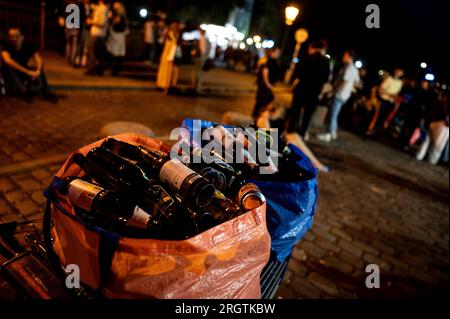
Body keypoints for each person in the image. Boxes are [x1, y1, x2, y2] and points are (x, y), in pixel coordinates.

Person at [286, 40, 330, 138]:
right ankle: (302, 133)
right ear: (323, 49)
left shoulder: (305, 57)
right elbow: (325, 80)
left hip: (301, 90)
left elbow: (297, 76)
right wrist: (321, 93)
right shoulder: (326, 62)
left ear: (312, 47)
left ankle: (290, 132)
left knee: (295, 112)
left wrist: (292, 87)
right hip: (314, 92)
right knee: (308, 115)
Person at [0, 27, 57, 103]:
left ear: (22, 37)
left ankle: (46, 91)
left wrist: (38, 71)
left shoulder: (27, 46)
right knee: (10, 69)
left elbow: (39, 60)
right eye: (11, 36)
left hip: (22, 72)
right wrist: (27, 72)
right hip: (9, 75)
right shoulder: (6, 46)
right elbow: (8, 61)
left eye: (16, 36)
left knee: (37, 68)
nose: (13, 39)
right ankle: (24, 92)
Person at [317, 50, 360, 142]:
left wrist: (334, 91)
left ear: (349, 57)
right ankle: (332, 132)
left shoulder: (348, 68)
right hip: (345, 95)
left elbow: (344, 81)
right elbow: (357, 82)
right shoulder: (354, 69)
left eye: (345, 55)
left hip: (339, 94)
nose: (343, 57)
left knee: (333, 114)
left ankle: (328, 134)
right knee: (335, 114)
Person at [366, 68, 404, 135]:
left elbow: (397, 93)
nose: (398, 73)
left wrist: (394, 97)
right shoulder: (388, 78)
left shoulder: (400, 83)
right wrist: (389, 93)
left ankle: (376, 132)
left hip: (390, 102)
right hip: (383, 100)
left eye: (400, 72)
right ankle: (369, 129)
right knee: (376, 115)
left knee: (383, 118)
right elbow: (380, 89)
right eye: (398, 71)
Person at [416, 90, 449, 165]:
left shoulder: (438, 102)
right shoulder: (443, 103)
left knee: (427, 140)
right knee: (438, 145)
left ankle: (419, 155)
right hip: (443, 125)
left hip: (433, 123)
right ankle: (432, 160)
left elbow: (430, 112)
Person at [252, 47, 280, 118]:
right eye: (277, 52)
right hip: (264, 85)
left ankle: (258, 116)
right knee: (262, 100)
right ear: (273, 52)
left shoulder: (273, 61)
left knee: (264, 100)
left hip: (266, 85)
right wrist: (268, 84)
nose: (279, 54)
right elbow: (265, 71)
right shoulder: (269, 60)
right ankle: (256, 116)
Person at [156, 21, 181, 93]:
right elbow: (174, 41)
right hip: (169, 55)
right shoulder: (171, 33)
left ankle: (168, 86)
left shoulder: (172, 33)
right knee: (167, 71)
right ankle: (166, 86)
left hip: (170, 54)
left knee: (169, 71)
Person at [86, 0, 109, 75]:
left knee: (93, 52)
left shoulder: (103, 9)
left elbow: (102, 23)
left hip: (98, 33)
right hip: (97, 33)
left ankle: (93, 69)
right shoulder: (100, 8)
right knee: (98, 53)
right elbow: (93, 7)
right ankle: (99, 69)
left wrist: (91, 22)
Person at [105, 1, 128, 76]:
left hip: (118, 35)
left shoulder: (120, 15)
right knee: (116, 54)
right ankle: (114, 70)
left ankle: (114, 71)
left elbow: (118, 24)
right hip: (116, 35)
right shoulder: (118, 15)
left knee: (116, 54)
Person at [191, 28, 209, 93]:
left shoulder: (202, 39)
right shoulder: (205, 39)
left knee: (197, 72)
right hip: (202, 57)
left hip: (200, 57)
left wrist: (196, 52)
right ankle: (196, 86)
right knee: (198, 72)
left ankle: (196, 87)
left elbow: (203, 50)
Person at [74, 0, 92, 68]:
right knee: (80, 44)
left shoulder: (91, 7)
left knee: (86, 45)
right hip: (82, 27)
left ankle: (83, 62)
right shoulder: (80, 6)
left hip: (88, 28)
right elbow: (78, 17)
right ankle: (77, 61)